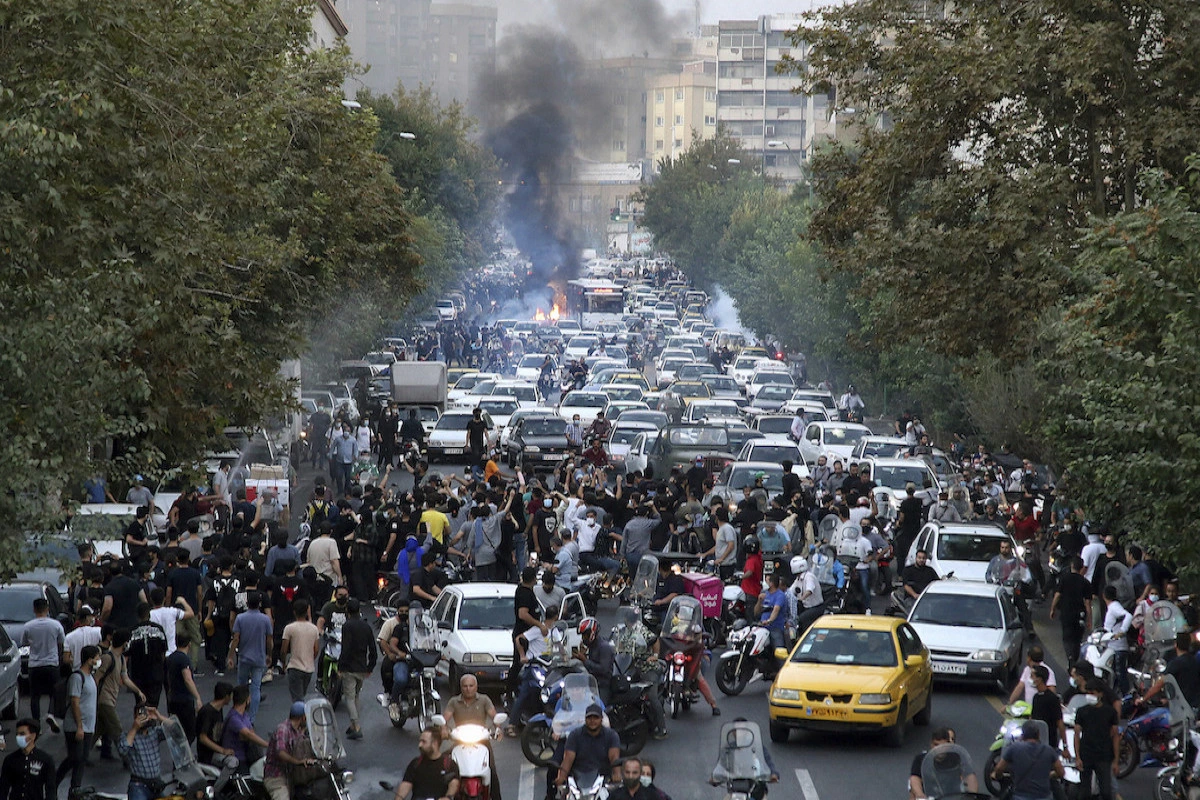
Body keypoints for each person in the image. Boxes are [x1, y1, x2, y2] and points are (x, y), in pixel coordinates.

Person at [55, 644, 98, 792]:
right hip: (76, 727)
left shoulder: (90, 677)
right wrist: (79, 726)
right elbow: (75, 701)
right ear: (89, 660)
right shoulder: (77, 677)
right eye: (97, 657)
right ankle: (55, 782)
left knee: (81, 759)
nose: (99, 660)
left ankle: (75, 790)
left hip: (88, 726)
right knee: (75, 758)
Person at [989, 721, 1063, 800]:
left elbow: (999, 768)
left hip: (1020, 796)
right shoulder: (1049, 750)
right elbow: (1061, 772)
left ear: (1023, 735)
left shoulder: (1014, 748)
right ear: (1038, 734)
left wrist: (998, 776)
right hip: (1044, 797)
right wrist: (1050, 774)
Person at [228, 591, 273, 722]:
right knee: (256, 688)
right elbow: (269, 639)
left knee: (241, 685)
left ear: (247, 603)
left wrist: (231, 656)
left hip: (243, 657)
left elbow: (236, 638)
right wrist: (269, 654)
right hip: (259, 657)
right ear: (259, 604)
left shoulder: (240, 618)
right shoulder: (265, 619)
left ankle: (240, 712)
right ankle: (251, 719)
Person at [20, 598, 64, 730]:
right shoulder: (55, 625)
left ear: (34, 610)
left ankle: (35, 724)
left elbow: (24, 642)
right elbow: (61, 642)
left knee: (35, 695)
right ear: (47, 609)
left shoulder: (28, 626)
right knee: (55, 691)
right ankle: (51, 713)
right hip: (51, 663)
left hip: (34, 664)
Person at [1073, 679, 1120, 800]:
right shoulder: (1081, 711)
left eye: (1092, 693)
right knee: (1084, 793)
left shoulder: (1110, 712)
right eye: (1088, 693)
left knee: (1106, 792)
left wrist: (1115, 760)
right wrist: (1078, 757)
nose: (1089, 696)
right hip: (1086, 754)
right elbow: (1076, 734)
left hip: (1103, 756)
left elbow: (1115, 736)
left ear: (1100, 694)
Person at [555, 704, 620, 791]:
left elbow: (614, 758)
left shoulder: (611, 735)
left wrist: (617, 775)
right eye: (589, 718)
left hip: (602, 779)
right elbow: (568, 759)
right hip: (578, 779)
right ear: (585, 719)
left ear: (601, 719)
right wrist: (561, 777)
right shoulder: (575, 735)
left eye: (596, 717)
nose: (592, 721)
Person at [338, 598, 376, 740]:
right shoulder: (366, 627)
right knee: (356, 696)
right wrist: (370, 666)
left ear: (347, 610)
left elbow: (346, 648)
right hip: (362, 667)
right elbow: (372, 648)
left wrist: (341, 666)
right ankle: (353, 725)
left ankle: (357, 726)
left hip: (350, 668)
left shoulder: (347, 626)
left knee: (349, 698)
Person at [263, 701, 317, 800]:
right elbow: (281, 753)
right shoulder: (283, 729)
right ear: (303, 717)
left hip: (293, 775)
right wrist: (298, 762)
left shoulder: (299, 731)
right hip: (277, 776)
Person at [118, 705, 172, 800]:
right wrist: (134, 728)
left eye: (145, 715)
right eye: (140, 715)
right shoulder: (128, 735)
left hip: (156, 783)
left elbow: (176, 729)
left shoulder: (155, 732)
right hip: (139, 784)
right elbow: (122, 750)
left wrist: (158, 716)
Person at [392, 726, 459, 800]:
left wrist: (448, 797)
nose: (419, 745)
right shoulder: (415, 764)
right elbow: (406, 784)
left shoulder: (449, 764)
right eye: (420, 741)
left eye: (423, 742)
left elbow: (454, 783)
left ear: (434, 744)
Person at [1049, 556, 1092, 666]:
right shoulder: (1085, 582)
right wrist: (1089, 619)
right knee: (1077, 639)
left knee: (1067, 637)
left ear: (1071, 565)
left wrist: (1052, 609)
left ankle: (1070, 657)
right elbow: (1088, 604)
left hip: (1066, 613)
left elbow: (1057, 595)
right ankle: (1074, 657)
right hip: (1080, 614)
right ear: (1082, 567)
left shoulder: (1064, 578)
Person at [1141, 632, 1200, 709]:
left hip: (1184, 709)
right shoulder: (1194, 660)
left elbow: (1159, 684)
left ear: (1176, 644)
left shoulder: (1175, 663)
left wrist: (1143, 699)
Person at [0, 719, 56, 800]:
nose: (18, 737)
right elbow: (3, 788)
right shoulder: (10, 760)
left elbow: (51, 789)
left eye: (22, 734)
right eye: (17, 734)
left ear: (33, 736)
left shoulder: (46, 760)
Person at [908, 728, 969, 800]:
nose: (938, 748)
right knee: (913, 790)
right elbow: (915, 778)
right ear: (931, 744)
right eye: (936, 744)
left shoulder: (956, 759)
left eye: (942, 746)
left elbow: (968, 777)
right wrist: (920, 794)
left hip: (950, 795)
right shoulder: (921, 759)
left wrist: (971, 793)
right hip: (928, 795)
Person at [221, 685, 269, 772]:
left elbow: (250, 733)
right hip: (237, 758)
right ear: (247, 699)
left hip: (247, 756)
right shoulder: (234, 718)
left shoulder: (244, 715)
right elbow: (248, 734)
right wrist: (267, 745)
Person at [281, 599, 320, 703]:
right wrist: (311, 659)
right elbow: (316, 649)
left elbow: (284, 650)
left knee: (297, 698)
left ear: (294, 612)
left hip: (295, 667)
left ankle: (299, 718)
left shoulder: (289, 628)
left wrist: (284, 663)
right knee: (302, 695)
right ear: (307, 611)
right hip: (309, 668)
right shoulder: (314, 629)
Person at [165, 634, 203, 741]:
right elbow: (187, 679)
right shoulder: (184, 659)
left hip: (173, 698)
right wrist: (197, 697)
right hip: (184, 699)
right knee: (190, 731)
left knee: (177, 730)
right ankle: (185, 755)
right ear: (189, 644)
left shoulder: (170, 658)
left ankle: (180, 754)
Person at [196, 681, 237, 769]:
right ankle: (220, 783)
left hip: (215, 750)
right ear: (226, 697)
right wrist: (222, 750)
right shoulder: (208, 712)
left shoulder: (218, 709)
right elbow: (203, 738)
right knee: (233, 762)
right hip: (208, 754)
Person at [755, 573, 790, 652]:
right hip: (762, 628)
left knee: (779, 650)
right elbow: (756, 612)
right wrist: (759, 600)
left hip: (775, 628)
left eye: (766, 581)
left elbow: (776, 610)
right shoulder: (765, 594)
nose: (764, 583)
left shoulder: (780, 595)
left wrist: (768, 621)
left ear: (772, 583)